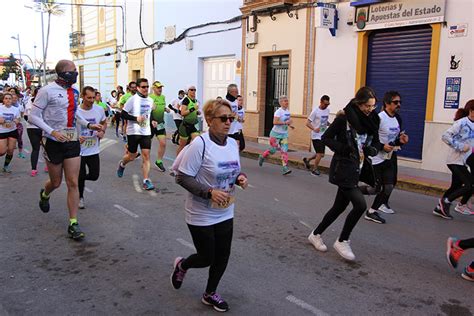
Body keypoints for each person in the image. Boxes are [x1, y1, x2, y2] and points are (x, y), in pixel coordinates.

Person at [172, 99, 248, 312]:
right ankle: (183, 265)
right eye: (223, 118)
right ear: (209, 120)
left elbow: (232, 171)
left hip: (225, 209)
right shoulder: (200, 144)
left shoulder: (233, 143)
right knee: (207, 257)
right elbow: (182, 177)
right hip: (200, 212)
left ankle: (210, 293)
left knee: (223, 255)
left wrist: (240, 178)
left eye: (231, 119)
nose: (228, 122)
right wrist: (209, 192)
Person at [29, 59, 103, 241]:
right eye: (73, 71)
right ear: (63, 73)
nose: (76, 74)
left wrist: (88, 124)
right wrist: (51, 131)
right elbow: (32, 116)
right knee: (55, 182)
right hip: (53, 141)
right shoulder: (46, 91)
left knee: (72, 182)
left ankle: (73, 222)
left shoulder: (74, 91)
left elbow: (74, 112)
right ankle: (45, 194)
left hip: (71, 140)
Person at [308, 87, 381, 261]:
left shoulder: (372, 121)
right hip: (344, 169)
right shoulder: (344, 119)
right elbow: (326, 138)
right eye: (367, 106)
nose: (370, 109)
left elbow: (376, 141)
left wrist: (373, 148)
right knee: (360, 205)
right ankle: (342, 240)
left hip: (358, 169)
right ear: (358, 103)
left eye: (373, 106)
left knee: (339, 207)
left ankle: (315, 234)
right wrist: (343, 148)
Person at [365, 91, 409, 224]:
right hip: (376, 158)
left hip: (389, 157)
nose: (398, 105)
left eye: (400, 102)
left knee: (389, 186)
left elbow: (394, 140)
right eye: (396, 102)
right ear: (387, 103)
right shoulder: (378, 118)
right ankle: (353, 191)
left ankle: (372, 211)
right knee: (375, 189)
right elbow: (369, 139)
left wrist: (401, 141)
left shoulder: (398, 119)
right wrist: (381, 146)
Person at [434, 100, 474, 219]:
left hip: (464, 161)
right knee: (469, 185)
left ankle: (439, 208)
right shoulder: (461, 123)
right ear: (471, 111)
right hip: (455, 160)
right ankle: (445, 202)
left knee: (455, 186)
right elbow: (445, 136)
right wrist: (461, 146)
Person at [116, 78, 156, 191]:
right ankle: (122, 164)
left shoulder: (150, 100)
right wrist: (135, 118)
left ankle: (146, 180)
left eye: (147, 87)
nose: (146, 89)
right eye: (143, 87)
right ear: (138, 88)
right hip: (133, 131)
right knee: (132, 156)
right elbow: (123, 114)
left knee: (146, 156)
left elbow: (149, 113)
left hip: (146, 131)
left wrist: (153, 120)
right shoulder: (132, 100)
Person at [77, 86, 107, 209]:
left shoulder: (99, 109)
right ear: (82, 97)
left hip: (93, 148)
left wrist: (102, 132)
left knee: (94, 175)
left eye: (93, 97)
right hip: (79, 150)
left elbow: (104, 122)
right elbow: (68, 127)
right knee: (81, 174)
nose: (91, 100)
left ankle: (78, 180)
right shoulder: (76, 111)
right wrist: (76, 137)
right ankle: (80, 197)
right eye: (89, 97)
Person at [258, 95, 294, 175]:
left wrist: (290, 125)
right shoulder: (278, 112)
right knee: (272, 150)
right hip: (275, 134)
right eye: (285, 101)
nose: (287, 102)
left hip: (284, 135)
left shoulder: (287, 111)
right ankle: (262, 156)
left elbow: (287, 121)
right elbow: (275, 122)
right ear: (281, 102)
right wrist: (285, 123)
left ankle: (285, 168)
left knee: (284, 151)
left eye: (287, 100)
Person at [303, 95, 331, 176]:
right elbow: (307, 123)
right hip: (316, 136)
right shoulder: (315, 111)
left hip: (323, 134)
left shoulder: (327, 110)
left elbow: (325, 121)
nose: (326, 106)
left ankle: (307, 160)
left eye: (328, 104)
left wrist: (330, 124)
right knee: (319, 153)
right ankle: (314, 169)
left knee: (321, 155)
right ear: (321, 102)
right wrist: (314, 128)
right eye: (325, 104)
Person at [24, 88, 46, 176]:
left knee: (46, 147)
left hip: (44, 128)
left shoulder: (47, 102)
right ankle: (34, 169)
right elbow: (25, 115)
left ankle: (48, 165)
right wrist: (30, 121)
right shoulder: (29, 102)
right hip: (32, 128)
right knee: (36, 148)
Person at [150, 81, 170, 172]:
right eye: (158, 87)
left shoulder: (163, 97)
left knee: (163, 143)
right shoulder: (150, 98)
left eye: (161, 87)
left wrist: (165, 109)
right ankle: (145, 160)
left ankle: (159, 161)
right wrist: (151, 119)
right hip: (150, 125)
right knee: (147, 145)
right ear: (153, 88)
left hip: (160, 123)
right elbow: (146, 110)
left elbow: (161, 107)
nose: (160, 89)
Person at [0, 93, 21, 173]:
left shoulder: (15, 109)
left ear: (12, 100)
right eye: (6, 98)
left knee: (11, 150)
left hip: (12, 131)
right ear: (3, 100)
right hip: (2, 131)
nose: (8, 100)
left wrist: (17, 121)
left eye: (9, 98)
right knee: (2, 151)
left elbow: (18, 118)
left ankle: (6, 166)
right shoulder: (0, 108)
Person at [177, 85, 200, 155]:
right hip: (185, 126)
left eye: (194, 90)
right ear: (188, 91)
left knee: (197, 142)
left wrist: (197, 112)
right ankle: (177, 162)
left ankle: (188, 157)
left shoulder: (195, 100)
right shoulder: (186, 100)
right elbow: (182, 113)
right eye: (191, 90)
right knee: (182, 146)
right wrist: (193, 109)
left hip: (193, 125)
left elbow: (193, 111)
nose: (193, 91)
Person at [10, 88, 26, 159]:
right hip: (9, 125)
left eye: (15, 98)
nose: (14, 99)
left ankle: (20, 152)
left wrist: (18, 120)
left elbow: (22, 114)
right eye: (12, 98)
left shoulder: (20, 106)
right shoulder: (6, 106)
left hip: (18, 125)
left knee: (19, 138)